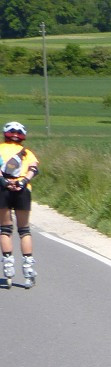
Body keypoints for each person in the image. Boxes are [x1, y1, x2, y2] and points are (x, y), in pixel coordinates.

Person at [1, 121, 39, 286]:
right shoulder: (27, 152)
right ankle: (28, 268)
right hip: (22, 190)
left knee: (5, 229)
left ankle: (8, 267)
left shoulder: (0, 148)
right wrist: (22, 181)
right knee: (24, 230)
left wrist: (4, 182)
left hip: (3, 189)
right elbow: (34, 169)